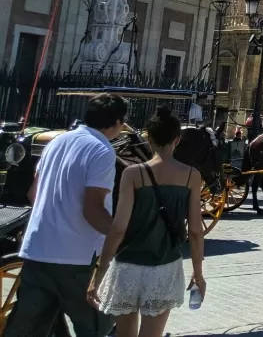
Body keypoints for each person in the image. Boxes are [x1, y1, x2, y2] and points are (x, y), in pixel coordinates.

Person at [6, 92, 128, 337]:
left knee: (26, 327)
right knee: (97, 324)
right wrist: (121, 234)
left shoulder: (57, 142)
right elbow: (92, 209)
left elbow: (33, 193)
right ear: (115, 123)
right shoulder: (102, 150)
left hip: (38, 250)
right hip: (76, 257)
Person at [89, 106, 205, 337]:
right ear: (177, 140)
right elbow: (194, 231)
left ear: (148, 138)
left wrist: (99, 274)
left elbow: (119, 228)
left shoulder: (133, 174)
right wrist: (198, 274)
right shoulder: (192, 176)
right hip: (165, 265)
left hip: (128, 265)